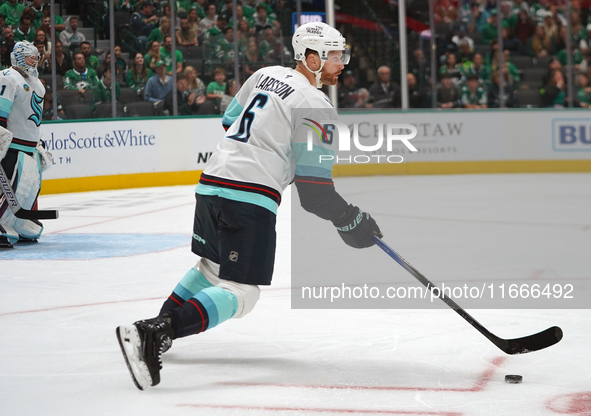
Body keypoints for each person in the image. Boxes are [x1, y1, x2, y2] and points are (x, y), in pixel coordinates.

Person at [116, 21, 382, 390]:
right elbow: (314, 191)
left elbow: (230, 121)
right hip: (250, 194)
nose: (342, 63)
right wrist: (349, 219)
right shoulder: (315, 104)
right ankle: (158, 331)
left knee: (211, 267)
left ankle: (159, 330)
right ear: (310, 57)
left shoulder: (265, 74)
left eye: (342, 55)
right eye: (334, 55)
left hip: (211, 183)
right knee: (243, 291)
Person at [0, 41, 52, 248]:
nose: (35, 61)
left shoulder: (37, 83)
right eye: (31, 57)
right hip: (13, 146)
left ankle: (19, 222)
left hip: (30, 147)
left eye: (36, 57)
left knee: (28, 188)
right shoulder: (8, 78)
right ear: (19, 57)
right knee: (11, 189)